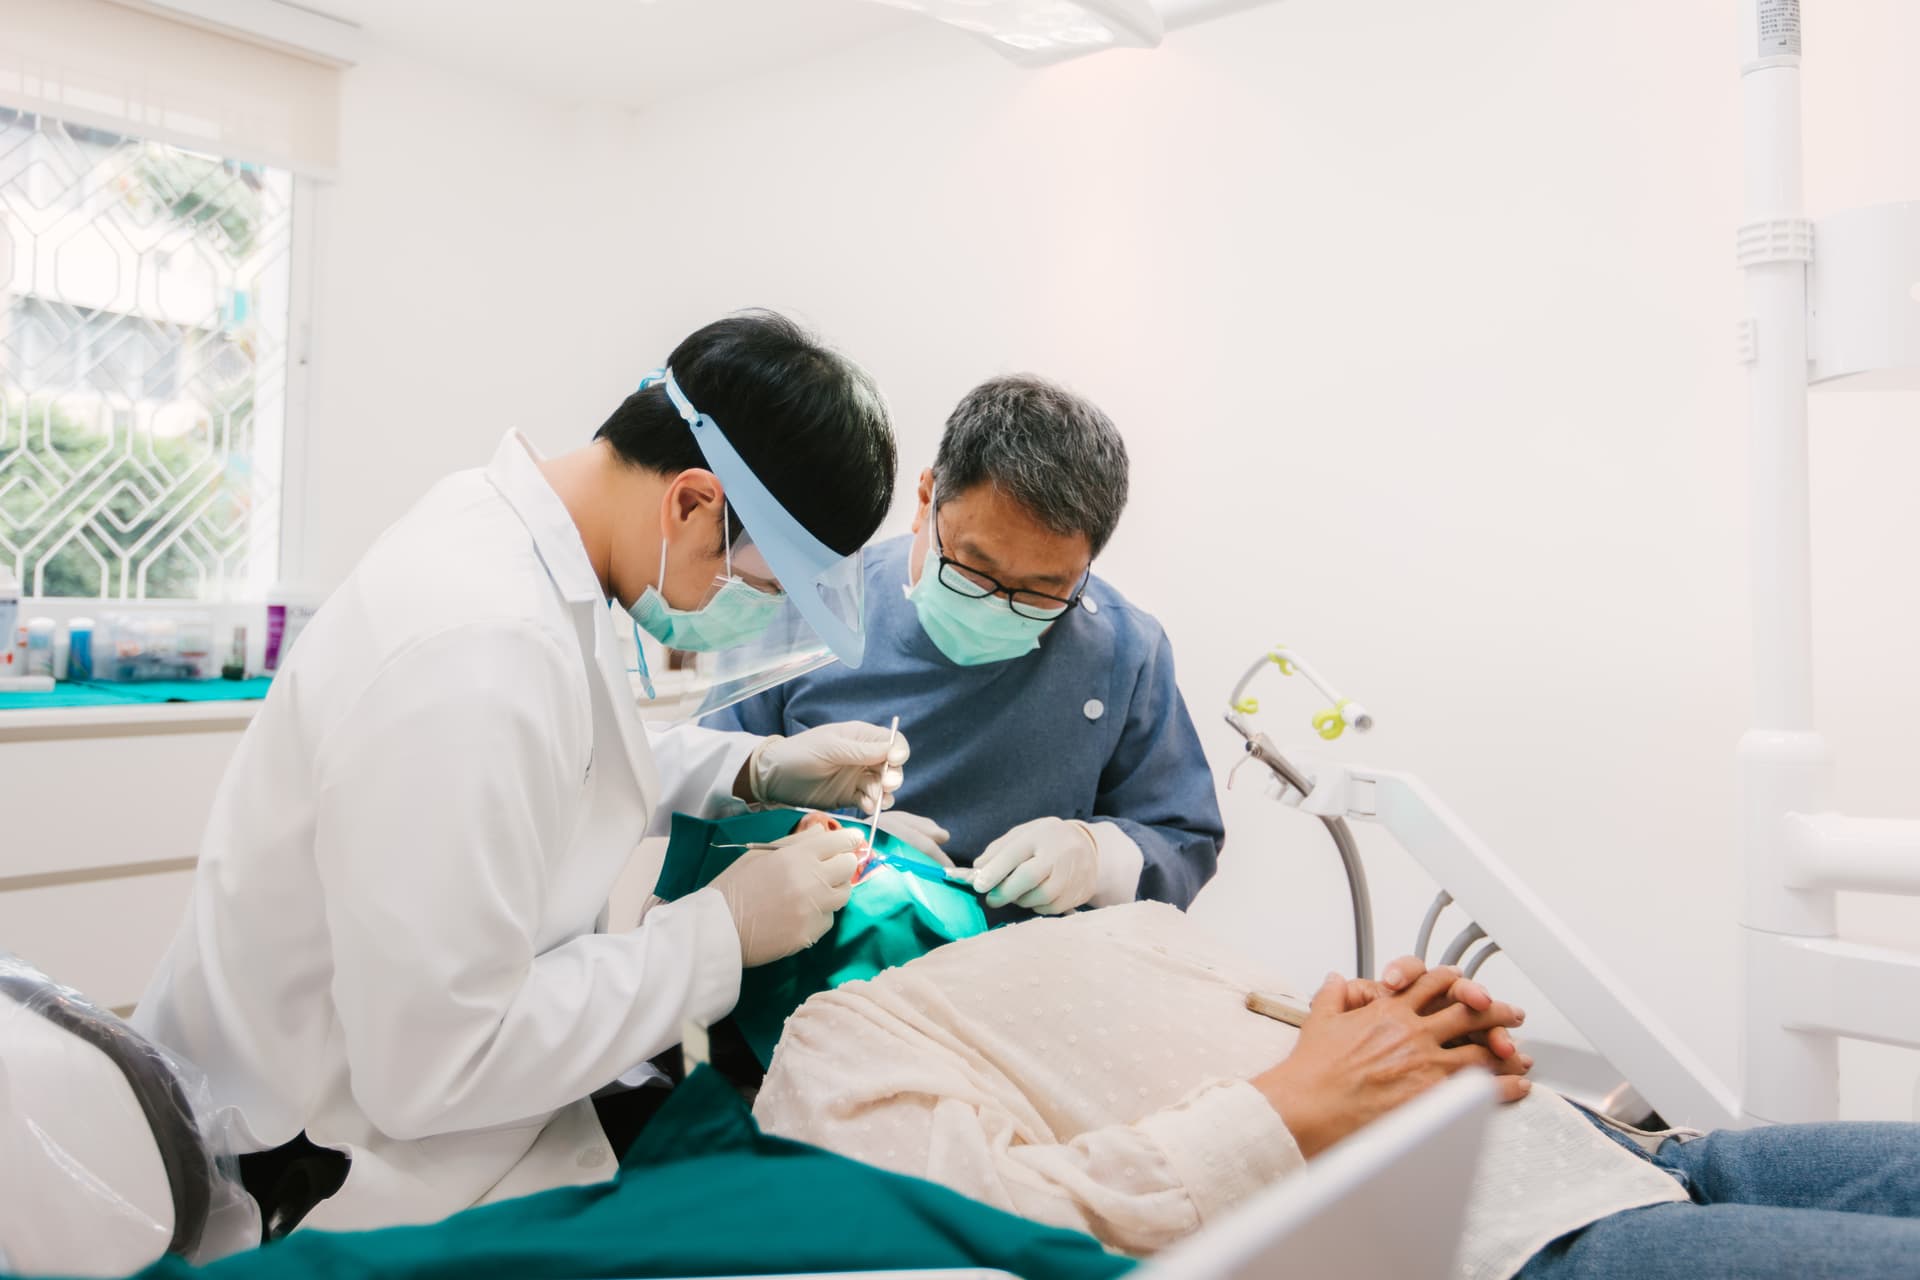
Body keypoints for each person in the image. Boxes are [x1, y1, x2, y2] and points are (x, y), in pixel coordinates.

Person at [133, 312, 912, 1235]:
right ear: (694, 503)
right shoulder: (476, 647)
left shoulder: (516, 543)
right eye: (757, 586)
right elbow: (437, 1065)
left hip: (403, 1101)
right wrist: (722, 931)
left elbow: (550, 765)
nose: (736, 612)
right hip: (315, 1168)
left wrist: (753, 768)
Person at [754, 906, 1920, 1280]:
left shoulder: (1134, 916)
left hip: (1643, 1156)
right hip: (1524, 1244)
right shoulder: (840, 1030)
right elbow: (980, 1226)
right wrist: (1295, 1100)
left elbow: (1325, 1052)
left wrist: (1420, 1032)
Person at [709, 375, 1223, 913]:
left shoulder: (1124, 651)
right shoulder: (801, 605)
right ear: (927, 498)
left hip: (1018, 975)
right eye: (975, 568)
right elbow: (705, 797)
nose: (999, 605)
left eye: (1042, 591)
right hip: (813, 954)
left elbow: (1183, 837)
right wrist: (816, 836)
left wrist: (1099, 857)